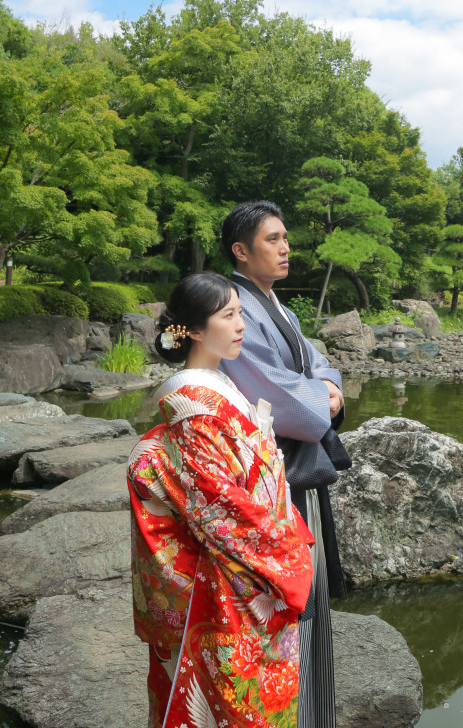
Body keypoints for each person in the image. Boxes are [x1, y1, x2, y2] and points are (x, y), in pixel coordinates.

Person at [128, 271, 315, 728]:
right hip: (232, 574)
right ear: (192, 329)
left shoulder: (217, 385)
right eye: (228, 315)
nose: (240, 326)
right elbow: (216, 506)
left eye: (240, 314)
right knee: (228, 704)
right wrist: (286, 555)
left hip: (245, 562)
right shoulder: (192, 405)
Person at [218, 200, 349, 728]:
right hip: (271, 483)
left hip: (298, 472)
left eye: (286, 237)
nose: (286, 247)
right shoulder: (235, 311)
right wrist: (325, 399)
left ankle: (311, 714)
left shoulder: (280, 307)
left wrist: (331, 387)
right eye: (273, 239)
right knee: (288, 601)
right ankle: (287, 715)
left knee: (310, 598)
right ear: (241, 251)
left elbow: (317, 363)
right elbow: (277, 395)